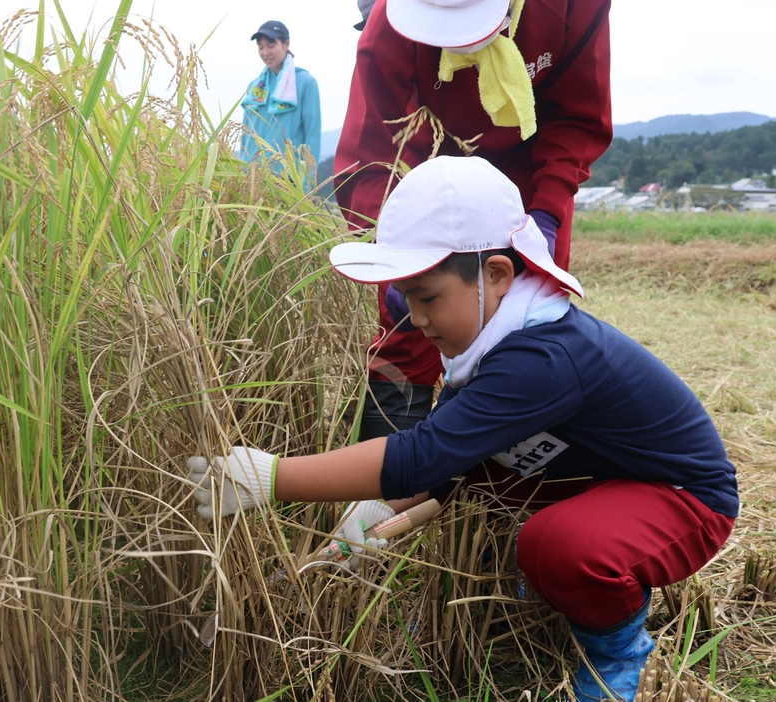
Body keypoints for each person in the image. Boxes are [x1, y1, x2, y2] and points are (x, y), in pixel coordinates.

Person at [188, 156, 738, 702]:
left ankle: (618, 651)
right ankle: (565, 583)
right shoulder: (485, 341)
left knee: (551, 545)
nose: (417, 319)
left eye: (428, 298)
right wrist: (380, 514)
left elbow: (421, 456)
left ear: (496, 275)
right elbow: (449, 464)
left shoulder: (541, 358)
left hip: (684, 500)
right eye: (406, 300)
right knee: (483, 475)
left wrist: (272, 480)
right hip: (597, 478)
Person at [334, 0, 612, 440]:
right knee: (411, 323)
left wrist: (546, 214)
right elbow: (370, 151)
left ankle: (509, 483)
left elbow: (577, 118)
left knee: (525, 320)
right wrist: (390, 253)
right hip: (423, 168)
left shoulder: (574, 6)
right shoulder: (391, 21)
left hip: (528, 172)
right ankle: (385, 478)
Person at [240, 21, 321, 174]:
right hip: (250, 178)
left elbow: (312, 138)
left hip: (287, 180)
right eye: (261, 47)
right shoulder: (255, 88)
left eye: (271, 46)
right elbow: (245, 134)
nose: (265, 53)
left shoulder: (305, 83)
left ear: (286, 44)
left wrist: (307, 186)